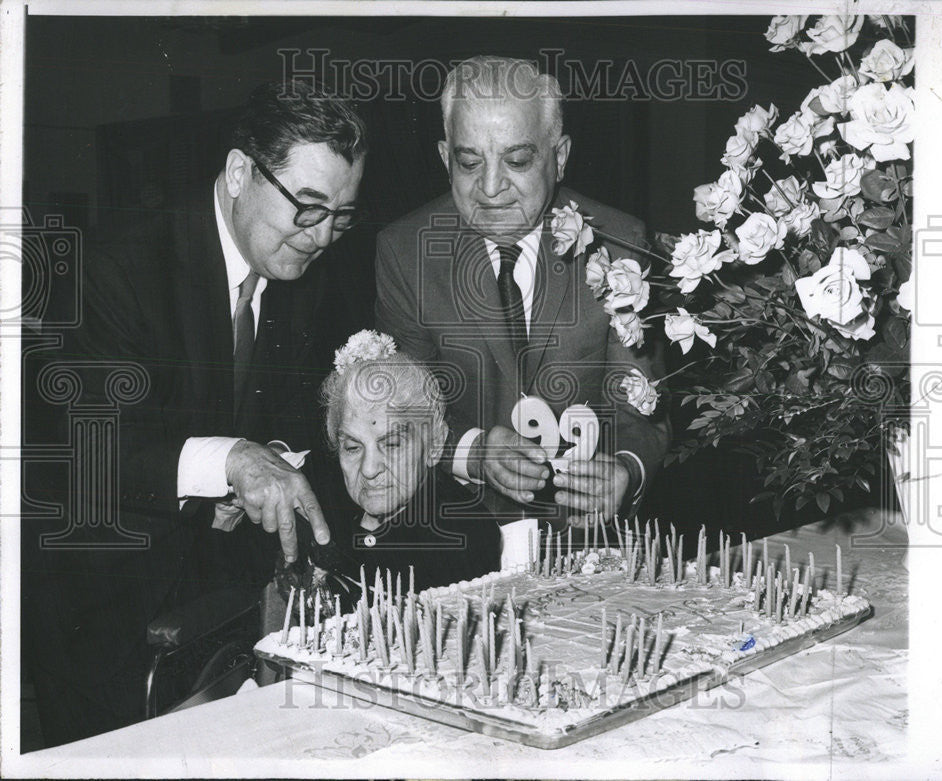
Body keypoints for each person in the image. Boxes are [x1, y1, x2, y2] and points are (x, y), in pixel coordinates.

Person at [22, 80, 369, 747]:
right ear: (241, 172)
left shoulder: (303, 271)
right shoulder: (119, 264)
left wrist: (270, 458)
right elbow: (89, 444)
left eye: (341, 216)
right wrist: (229, 460)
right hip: (104, 612)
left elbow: (293, 416)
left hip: (222, 609)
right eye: (309, 207)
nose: (324, 235)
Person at [375, 56, 669, 556]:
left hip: (588, 543)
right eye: (469, 163)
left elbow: (644, 408)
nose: (490, 188)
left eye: (517, 161)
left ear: (560, 156)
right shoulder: (405, 251)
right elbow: (397, 413)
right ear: (445, 155)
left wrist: (624, 469)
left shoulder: (621, 246)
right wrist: (470, 451)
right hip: (455, 541)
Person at [279, 331, 501, 604]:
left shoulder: (464, 533)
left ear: (434, 444)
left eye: (392, 444)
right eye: (352, 448)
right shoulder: (320, 495)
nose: (369, 469)